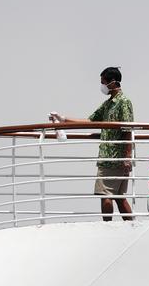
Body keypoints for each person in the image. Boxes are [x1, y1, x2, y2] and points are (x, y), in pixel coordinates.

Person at [51, 66, 135, 221]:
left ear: (113, 82)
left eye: (103, 82)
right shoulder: (108, 104)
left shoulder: (123, 102)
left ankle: (107, 226)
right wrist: (63, 119)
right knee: (118, 196)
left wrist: (128, 156)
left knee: (106, 195)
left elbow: (128, 129)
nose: (102, 86)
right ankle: (131, 226)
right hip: (110, 155)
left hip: (115, 156)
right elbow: (90, 120)